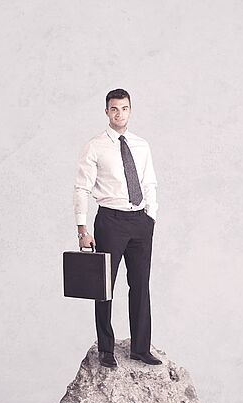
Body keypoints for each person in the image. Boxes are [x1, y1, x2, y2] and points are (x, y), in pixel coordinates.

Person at [73, 88, 162, 368]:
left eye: (124, 108)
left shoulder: (141, 145)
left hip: (140, 221)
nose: (119, 114)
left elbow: (149, 182)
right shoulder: (95, 146)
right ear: (106, 112)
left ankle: (140, 348)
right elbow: (81, 188)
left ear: (130, 110)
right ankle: (106, 350)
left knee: (140, 285)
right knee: (105, 287)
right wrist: (82, 228)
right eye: (114, 109)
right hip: (110, 221)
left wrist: (151, 216)